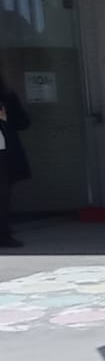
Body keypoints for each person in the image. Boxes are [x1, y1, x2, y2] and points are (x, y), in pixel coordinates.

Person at [0, 75, 29, 247]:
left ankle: (3, 233)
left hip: (4, 153)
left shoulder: (7, 99)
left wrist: (5, 116)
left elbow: (23, 123)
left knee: (3, 196)